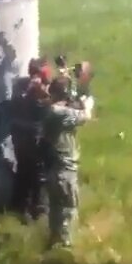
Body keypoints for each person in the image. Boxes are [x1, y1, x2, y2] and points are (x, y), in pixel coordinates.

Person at [43, 75, 94, 249]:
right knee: (69, 209)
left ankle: (53, 242)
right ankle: (65, 247)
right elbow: (85, 116)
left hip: (52, 169)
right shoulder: (60, 113)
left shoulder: (51, 111)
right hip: (65, 170)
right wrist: (87, 101)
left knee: (56, 210)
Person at [8, 66, 51, 223]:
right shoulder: (37, 102)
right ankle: (36, 208)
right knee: (36, 176)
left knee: (24, 173)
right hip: (32, 142)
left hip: (23, 141)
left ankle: (21, 208)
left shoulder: (21, 95)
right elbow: (46, 106)